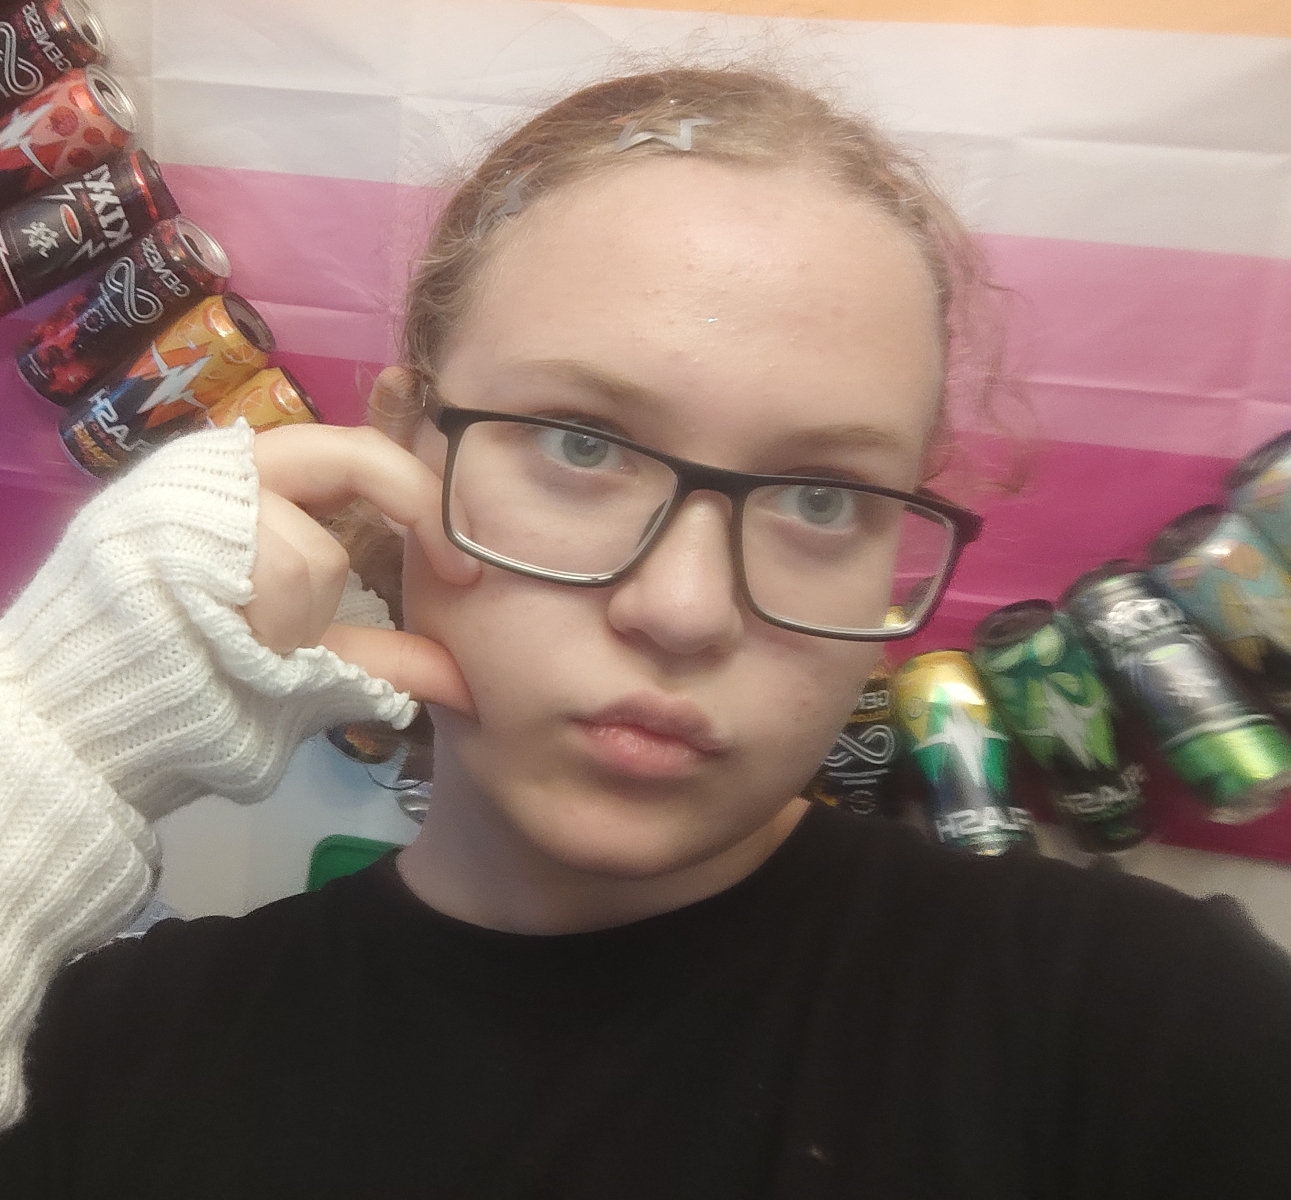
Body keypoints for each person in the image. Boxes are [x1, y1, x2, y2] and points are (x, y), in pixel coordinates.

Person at [1, 66, 1289, 1199]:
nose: (683, 611)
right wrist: (50, 751)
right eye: (581, 444)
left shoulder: (1149, 1033)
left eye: (822, 499)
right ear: (398, 450)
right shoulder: (109, 1056)